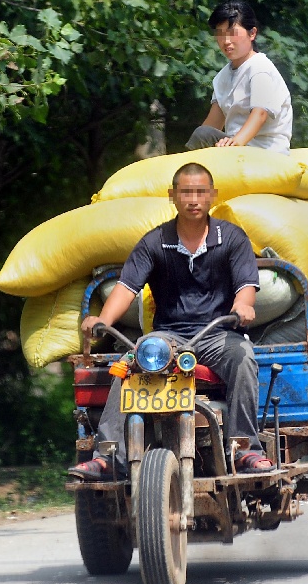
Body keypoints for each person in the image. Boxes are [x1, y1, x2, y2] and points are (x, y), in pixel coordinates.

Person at [68, 162, 275, 481]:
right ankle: (108, 455)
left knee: (244, 357)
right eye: (186, 192)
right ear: (172, 197)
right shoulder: (155, 242)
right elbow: (126, 287)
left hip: (217, 335)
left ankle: (245, 448)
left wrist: (243, 306)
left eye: (200, 192)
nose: (193, 199)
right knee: (130, 362)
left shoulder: (232, 238)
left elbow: (246, 285)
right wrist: (102, 320)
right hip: (168, 338)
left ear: (212, 196)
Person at [186, 0, 293, 155]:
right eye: (220, 35)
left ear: (252, 33)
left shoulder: (260, 68)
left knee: (203, 135)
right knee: (203, 133)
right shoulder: (222, 77)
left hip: (266, 154)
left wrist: (235, 143)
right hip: (236, 150)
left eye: (232, 33)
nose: (226, 41)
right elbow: (211, 126)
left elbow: (260, 114)